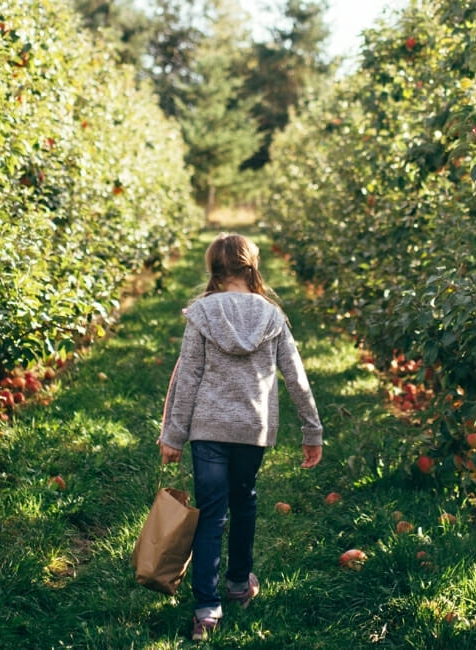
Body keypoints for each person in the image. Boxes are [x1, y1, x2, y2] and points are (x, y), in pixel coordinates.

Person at [158, 232, 323, 642]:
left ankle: (206, 608)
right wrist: (311, 429)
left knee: (211, 513)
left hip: (208, 429)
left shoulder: (202, 314)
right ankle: (236, 583)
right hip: (253, 429)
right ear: (253, 268)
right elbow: (296, 379)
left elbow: (188, 379)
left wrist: (174, 436)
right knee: (244, 501)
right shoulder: (272, 317)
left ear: (213, 270)